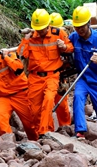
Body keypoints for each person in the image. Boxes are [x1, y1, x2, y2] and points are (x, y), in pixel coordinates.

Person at [17, 9, 73, 138]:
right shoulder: (31, 37)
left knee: (48, 101)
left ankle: (45, 132)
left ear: (48, 25)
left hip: (53, 75)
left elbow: (71, 48)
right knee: (35, 111)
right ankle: (42, 135)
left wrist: (63, 47)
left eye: (42, 28)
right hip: (35, 77)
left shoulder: (58, 33)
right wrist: (25, 40)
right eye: (38, 28)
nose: (40, 31)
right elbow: (21, 54)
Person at [0, 33, 38, 141]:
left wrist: (5, 57)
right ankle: (8, 143)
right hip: (4, 97)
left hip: (21, 93)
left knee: (30, 123)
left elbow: (19, 69)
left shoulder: (10, 56)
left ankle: (36, 142)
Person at [68, 6, 97, 139]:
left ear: (88, 24)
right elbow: (65, 46)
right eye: (76, 27)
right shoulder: (74, 37)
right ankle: (80, 131)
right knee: (78, 98)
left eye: (82, 26)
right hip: (83, 78)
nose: (79, 29)